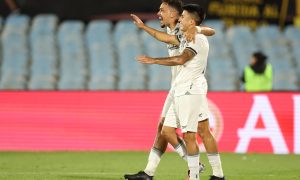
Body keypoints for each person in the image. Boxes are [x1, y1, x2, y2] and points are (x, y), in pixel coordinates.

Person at [126, 3, 225, 180]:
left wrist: (198, 30)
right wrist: (143, 27)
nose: (158, 13)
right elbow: (162, 37)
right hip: (179, 86)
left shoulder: (189, 33)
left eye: (162, 10)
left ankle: (197, 171)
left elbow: (210, 31)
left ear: (174, 14)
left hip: (189, 88)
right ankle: (152, 172)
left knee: (188, 132)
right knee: (167, 130)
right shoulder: (178, 34)